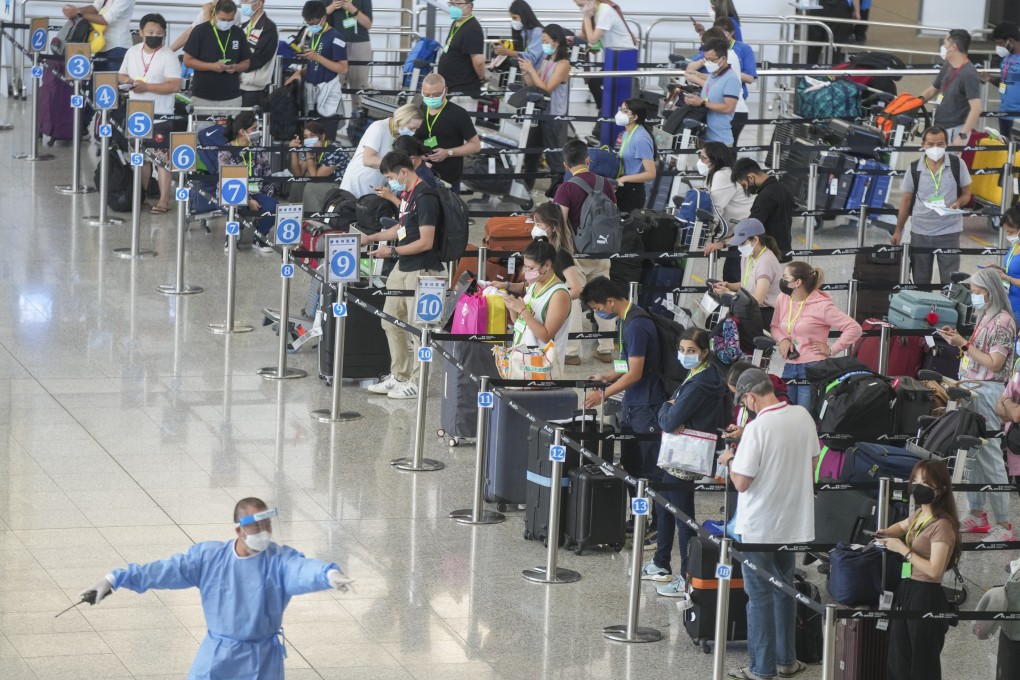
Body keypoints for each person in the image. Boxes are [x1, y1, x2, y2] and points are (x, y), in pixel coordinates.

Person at [79, 498, 354, 680]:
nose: (264, 532)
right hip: (218, 656)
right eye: (257, 526)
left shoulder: (279, 560)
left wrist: (328, 574)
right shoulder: (208, 558)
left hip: (262, 660)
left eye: (267, 525)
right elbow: (163, 570)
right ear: (239, 531)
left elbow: (302, 569)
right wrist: (116, 579)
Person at [717, 368, 816, 680]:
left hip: (758, 526)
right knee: (785, 589)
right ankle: (787, 661)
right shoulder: (803, 415)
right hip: (793, 522)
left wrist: (729, 459)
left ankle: (761, 668)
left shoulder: (758, 428)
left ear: (749, 397)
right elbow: (812, 462)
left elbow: (742, 483)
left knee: (759, 595)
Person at [647, 327, 727, 595]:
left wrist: (666, 406)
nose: (684, 355)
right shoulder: (702, 374)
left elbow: (669, 421)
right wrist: (671, 410)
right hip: (680, 455)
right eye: (681, 350)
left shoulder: (700, 383)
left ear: (704, 352)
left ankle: (687, 577)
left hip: (684, 456)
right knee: (665, 507)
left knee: (683, 517)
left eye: (691, 351)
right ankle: (661, 563)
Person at [940, 267, 1016, 542]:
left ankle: (1004, 523)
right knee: (970, 452)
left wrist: (963, 344)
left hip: (989, 391)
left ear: (989, 292)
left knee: (990, 455)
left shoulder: (1003, 321)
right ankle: (977, 513)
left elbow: (995, 363)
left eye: (975, 293)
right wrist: (958, 342)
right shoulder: (985, 316)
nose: (973, 297)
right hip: (973, 388)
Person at [580, 277, 665, 513]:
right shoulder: (626, 320)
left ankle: (656, 524)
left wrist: (604, 394)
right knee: (632, 465)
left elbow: (635, 373)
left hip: (647, 406)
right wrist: (607, 376)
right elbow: (627, 363)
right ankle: (639, 519)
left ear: (609, 302)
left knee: (649, 469)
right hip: (633, 404)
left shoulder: (637, 325)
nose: (599, 314)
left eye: (598, 309)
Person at [363, 152, 444, 399]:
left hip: (422, 267)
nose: (391, 183)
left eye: (391, 177)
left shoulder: (426, 196)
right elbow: (403, 228)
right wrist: (375, 237)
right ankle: (399, 375)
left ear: (404, 172)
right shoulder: (407, 195)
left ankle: (417, 382)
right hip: (403, 263)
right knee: (389, 320)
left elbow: (426, 241)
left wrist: (393, 251)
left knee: (418, 329)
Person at [876, 460, 962, 679]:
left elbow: (935, 571)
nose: (918, 486)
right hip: (907, 588)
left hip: (926, 595)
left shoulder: (942, 525)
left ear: (941, 489)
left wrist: (903, 550)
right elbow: (902, 526)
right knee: (898, 656)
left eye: (925, 482)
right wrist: (886, 532)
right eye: (915, 480)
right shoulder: (919, 514)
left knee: (922, 663)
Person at [554, 139, 618, 365]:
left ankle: (571, 352)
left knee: (573, 300)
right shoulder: (606, 184)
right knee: (604, 297)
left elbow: (559, 224)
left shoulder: (566, 188)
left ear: (565, 164)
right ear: (588, 160)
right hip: (603, 251)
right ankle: (606, 348)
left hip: (577, 255)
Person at [770, 261, 862, 410]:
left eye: (786, 277)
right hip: (790, 364)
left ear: (797, 282)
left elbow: (854, 328)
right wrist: (783, 339)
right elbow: (774, 326)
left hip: (813, 367)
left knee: (806, 415)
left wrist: (832, 349)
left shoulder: (822, 306)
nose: (782, 280)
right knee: (787, 411)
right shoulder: (784, 298)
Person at [891, 126, 973, 285]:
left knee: (950, 282)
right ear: (923, 145)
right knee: (920, 282)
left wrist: (958, 203)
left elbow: (966, 193)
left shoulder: (957, 164)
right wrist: (898, 230)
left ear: (947, 144)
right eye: (930, 144)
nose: (935, 148)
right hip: (920, 232)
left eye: (940, 144)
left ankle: (948, 309)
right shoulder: (914, 168)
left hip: (949, 232)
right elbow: (906, 201)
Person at [118, 14, 180, 215]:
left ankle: (163, 199)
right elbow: (121, 74)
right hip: (137, 115)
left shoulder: (168, 55)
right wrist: (128, 80)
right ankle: (142, 195)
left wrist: (147, 87)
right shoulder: (132, 51)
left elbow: (174, 85)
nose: (155, 36)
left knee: (162, 160)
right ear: (141, 32)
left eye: (159, 33)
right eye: (151, 32)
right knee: (141, 158)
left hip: (161, 115)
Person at [502, 239, 573, 375]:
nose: (526, 272)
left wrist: (522, 310)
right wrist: (512, 307)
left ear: (547, 265)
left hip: (542, 369)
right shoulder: (535, 284)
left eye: (531, 268)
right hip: (522, 361)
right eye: (525, 267)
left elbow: (545, 336)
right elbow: (521, 325)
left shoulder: (559, 294)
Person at [489, 202, 582, 299]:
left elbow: (576, 290)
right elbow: (531, 287)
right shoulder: (539, 249)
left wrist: (550, 301)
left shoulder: (562, 255)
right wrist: (506, 285)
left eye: (539, 225)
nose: (535, 229)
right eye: (534, 224)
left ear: (554, 227)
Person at [518, 23, 570, 192]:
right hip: (540, 113)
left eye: (546, 41)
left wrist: (532, 70)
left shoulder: (563, 64)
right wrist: (526, 71)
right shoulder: (547, 60)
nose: (543, 45)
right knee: (531, 153)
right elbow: (534, 84)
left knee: (553, 156)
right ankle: (525, 189)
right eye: (542, 41)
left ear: (556, 42)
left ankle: (560, 191)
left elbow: (547, 89)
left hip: (553, 116)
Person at [686, 21, 756, 146]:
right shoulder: (716, 70)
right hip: (713, 126)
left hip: (730, 118)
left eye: (710, 59)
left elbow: (725, 101)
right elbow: (709, 80)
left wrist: (701, 100)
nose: (707, 62)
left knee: (725, 156)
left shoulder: (729, 66)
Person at [214, 111, 277, 250]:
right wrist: (248, 200)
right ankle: (231, 239)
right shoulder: (226, 151)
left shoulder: (258, 150)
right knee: (236, 204)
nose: (257, 132)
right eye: (253, 129)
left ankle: (259, 237)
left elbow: (267, 175)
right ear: (242, 131)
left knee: (273, 206)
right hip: (232, 192)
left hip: (257, 191)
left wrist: (266, 198)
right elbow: (229, 181)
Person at [414, 73, 482, 191]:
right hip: (418, 177)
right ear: (421, 91)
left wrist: (448, 152)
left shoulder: (458, 114)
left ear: (445, 91)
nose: (430, 98)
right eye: (426, 94)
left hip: (448, 180)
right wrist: (417, 156)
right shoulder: (415, 110)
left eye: (435, 95)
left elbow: (475, 146)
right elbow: (403, 139)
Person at [712, 218, 783, 329]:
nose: (739, 247)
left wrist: (729, 293)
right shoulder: (748, 256)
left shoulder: (766, 262)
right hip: (750, 309)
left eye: (742, 243)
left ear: (755, 240)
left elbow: (758, 299)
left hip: (764, 314)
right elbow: (747, 284)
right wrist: (728, 285)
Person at [341, 102, 423, 198]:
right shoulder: (379, 127)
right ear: (401, 120)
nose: (413, 132)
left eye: (416, 129)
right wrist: (398, 165)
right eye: (411, 128)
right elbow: (368, 160)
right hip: (357, 183)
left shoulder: (401, 136)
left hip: (376, 187)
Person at [183, 0, 252, 112]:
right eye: (223, 19)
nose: (226, 23)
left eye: (230, 20)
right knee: (202, 128)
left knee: (231, 129)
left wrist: (236, 67)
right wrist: (212, 66)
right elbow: (187, 60)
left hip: (232, 97)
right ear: (215, 14)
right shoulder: (200, 31)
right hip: (203, 96)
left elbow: (246, 63)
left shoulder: (238, 33)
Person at [699, 142, 754, 282]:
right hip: (739, 230)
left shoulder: (723, 176)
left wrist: (717, 240)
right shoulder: (720, 173)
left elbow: (714, 208)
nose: (700, 161)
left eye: (703, 158)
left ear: (713, 159)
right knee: (733, 274)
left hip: (745, 232)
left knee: (734, 276)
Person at [284, 1, 349, 118]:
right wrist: (299, 72)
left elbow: (343, 68)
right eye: (308, 22)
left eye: (314, 22)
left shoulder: (336, 37)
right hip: (311, 95)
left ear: (324, 18)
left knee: (325, 134)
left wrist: (317, 57)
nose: (311, 26)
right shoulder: (314, 35)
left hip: (328, 94)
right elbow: (314, 64)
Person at [920, 29, 982, 143]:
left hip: (955, 130)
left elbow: (976, 108)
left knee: (949, 161)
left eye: (945, 44)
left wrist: (962, 136)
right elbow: (933, 90)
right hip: (940, 127)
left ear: (953, 47)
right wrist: (914, 103)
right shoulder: (948, 66)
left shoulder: (969, 74)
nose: (943, 47)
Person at [575, 0, 637, 108]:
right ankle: (605, 113)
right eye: (579, 6)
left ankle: (605, 113)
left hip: (624, 55)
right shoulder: (598, 12)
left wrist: (586, 18)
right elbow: (595, 40)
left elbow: (592, 39)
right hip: (613, 56)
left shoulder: (605, 11)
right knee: (595, 83)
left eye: (582, 5)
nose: (582, 9)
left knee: (608, 88)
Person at [731, 157, 794, 261]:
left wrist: (724, 243)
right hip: (784, 248)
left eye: (744, 185)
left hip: (768, 253)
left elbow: (751, 226)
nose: (746, 188)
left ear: (751, 177)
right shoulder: (783, 188)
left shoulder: (766, 196)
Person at [682, 36, 740, 146]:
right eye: (706, 60)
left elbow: (728, 108)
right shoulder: (713, 75)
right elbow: (709, 96)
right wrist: (693, 100)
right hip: (705, 136)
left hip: (720, 140)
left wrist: (703, 103)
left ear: (723, 59)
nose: (708, 63)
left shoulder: (731, 79)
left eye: (711, 60)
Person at [288, 121, 349, 215]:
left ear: (322, 136)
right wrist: (293, 151)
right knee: (298, 183)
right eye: (306, 137)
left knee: (312, 187)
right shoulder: (310, 147)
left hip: (339, 185)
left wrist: (309, 154)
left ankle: (313, 221)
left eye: (312, 135)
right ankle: (294, 216)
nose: (308, 139)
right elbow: (298, 174)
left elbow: (315, 177)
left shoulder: (334, 150)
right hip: (323, 180)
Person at [62, 0, 135, 73]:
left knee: (112, 83)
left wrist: (78, 13)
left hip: (117, 48)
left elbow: (106, 19)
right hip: (101, 47)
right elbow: (95, 7)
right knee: (98, 82)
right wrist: (75, 10)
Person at [325, 0, 373, 111]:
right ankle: (331, 122)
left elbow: (368, 24)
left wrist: (353, 9)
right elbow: (317, 17)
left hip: (360, 43)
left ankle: (357, 124)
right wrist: (331, 7)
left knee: (360, 89)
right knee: (333, 87)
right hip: (335, 43)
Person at [614, 97, 657, 213]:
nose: (621, 114)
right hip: (622, 186)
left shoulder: (641, 138)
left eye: (625, 111)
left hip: (632, 191)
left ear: (635, 117)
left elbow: (651, 173)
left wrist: (625, 178)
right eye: (621, 110)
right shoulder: (626, 134)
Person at [373, 135, 440, 209]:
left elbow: (413, 212)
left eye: (399, 161)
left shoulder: (423, 180)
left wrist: (391, 197)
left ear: (412, 159)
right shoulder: (413, 173)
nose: (396, 165)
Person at [437, 0, 486, 99]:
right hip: (451, 86)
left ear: (469, 6)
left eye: (458, 4)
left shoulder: (472, 28)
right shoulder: (456, 23)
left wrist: (482, 78)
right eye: (451, 3)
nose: (454, 7)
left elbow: (478, 61)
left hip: (463, 89)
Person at [238, 0, 279, 109]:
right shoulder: (244, 26)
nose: (243, 3)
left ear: (259, 3)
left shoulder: (268, 28)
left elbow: (259, 58)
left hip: (255, 90)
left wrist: (237, 68)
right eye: (242, 1)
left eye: (246, 0)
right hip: (238, 86)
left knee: (246, 123)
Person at [986, 207, 1020, 325]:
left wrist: (1007, 278)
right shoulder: (1015, 245)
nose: (1009, 235)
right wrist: (1000, 269)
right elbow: (1015, 270)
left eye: (1011, 232)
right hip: (1009, 302)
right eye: (1007, 232)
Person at [988, 22, 1020, 140]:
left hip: (1017, 115)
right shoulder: (1006, 58)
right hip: (1004, 113)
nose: (998, 47)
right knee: (1006, 150)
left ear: (1010, 41)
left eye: (1000, 43)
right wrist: (990, 78)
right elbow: (1005, 83)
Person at [807, 0, 861, 65]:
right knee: (834, 45)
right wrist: (857, 11)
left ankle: (809, 71)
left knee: (814, 44)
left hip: (817, 6)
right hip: (838, 8)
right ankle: (831, 72)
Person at [492, 0, 544, 68]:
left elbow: (531, 57)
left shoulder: (538, 32)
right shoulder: (523, 32)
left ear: (524, 16)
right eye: (512, 18)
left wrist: (507, 52)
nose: (513, 21)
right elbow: (522, 53)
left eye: (515, 18)